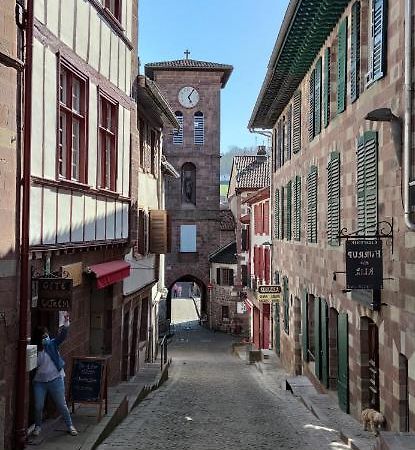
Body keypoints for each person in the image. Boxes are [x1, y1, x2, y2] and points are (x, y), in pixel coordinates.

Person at [31, 314, 77, 437]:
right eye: (43, 336)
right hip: (40, 381)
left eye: (47, 335)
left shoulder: (52, 344)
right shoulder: (35, 350)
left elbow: (62, 337)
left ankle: (70, 425)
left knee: (61, 404)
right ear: (39, 338)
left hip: (55, 378)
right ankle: (38, 426)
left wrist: (66, 323)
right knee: (38, 405)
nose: (46, 337)